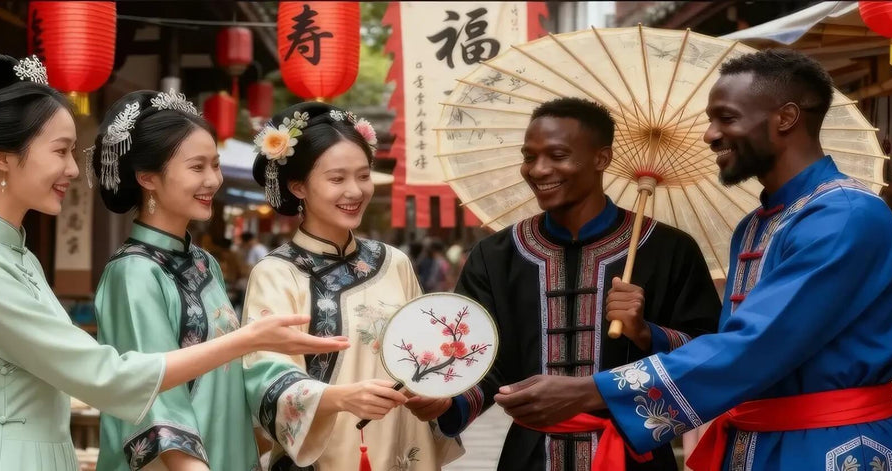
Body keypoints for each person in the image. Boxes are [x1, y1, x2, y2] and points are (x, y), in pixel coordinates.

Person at [486, 49, 892, 471]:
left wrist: (592, 390)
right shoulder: (755, 224)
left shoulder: (845, 215)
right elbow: (727, 339)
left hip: (834, 446)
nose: (710, 134)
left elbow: (757, 346)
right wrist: (648, 334)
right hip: (754, 441)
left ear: (786, 118)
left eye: (727, 118)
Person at [0, 52, 348, 471]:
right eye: (61, 151)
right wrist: (246, 339)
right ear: (2, 156)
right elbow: (104, 375)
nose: (72, 169)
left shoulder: (12, 255)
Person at [406, 97, 721, 470]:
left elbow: (710, 355)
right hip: (529, 457)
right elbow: (481, 361)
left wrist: (645, 332)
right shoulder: (496, 255)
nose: (538, 170)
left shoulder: (668, 249)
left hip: (634, 456)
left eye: (557, 155)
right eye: (529, 156)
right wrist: (446, 401)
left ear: (602, 159)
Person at [242, 102, 463, 470]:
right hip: (327, 454)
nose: (355, 190)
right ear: (298, 186)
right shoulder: (277, 273)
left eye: (363, 176)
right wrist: (341, 398)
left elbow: (429, 352)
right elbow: (266, 378)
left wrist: (435, 396)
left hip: (401, 442)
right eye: (336, 178)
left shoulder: (394, 262)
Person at [91, 89, 291, 470]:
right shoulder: (133, 273)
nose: (213, 180)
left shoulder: (204, 262)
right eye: (197, 167)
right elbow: (154, 400)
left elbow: (226, 380)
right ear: (148, 177)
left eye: (215, 165)